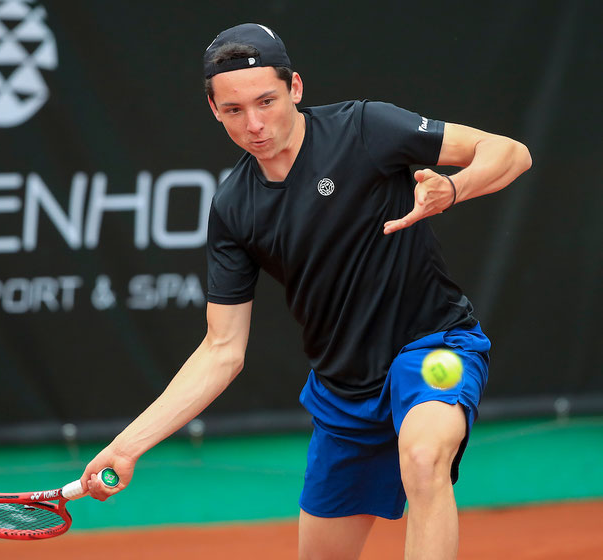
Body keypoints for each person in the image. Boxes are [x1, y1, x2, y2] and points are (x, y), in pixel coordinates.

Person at [79, 23, 532, 560]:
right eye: (233, 111)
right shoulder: (233, 210)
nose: (255, 124)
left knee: (423, 459)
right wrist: (129, 446)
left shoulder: (363, 129)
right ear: (213, 110)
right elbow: (222, 351)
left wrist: (451, 189)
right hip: (344, 390)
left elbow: (510, 152)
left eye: (266, 101)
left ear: (295, 87)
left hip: (432, 346)